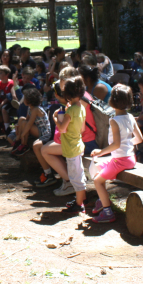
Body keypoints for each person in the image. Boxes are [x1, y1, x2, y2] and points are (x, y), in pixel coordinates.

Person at [88, 85, 143, 224]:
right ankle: (103, 199)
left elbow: (116, 145)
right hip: (129, 158)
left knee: (97, 181)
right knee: (98, 166)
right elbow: (139, 139)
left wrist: (101, 152)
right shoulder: (130, 116)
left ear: (111, 101)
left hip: (120, 160)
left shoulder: (114, 120)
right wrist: (128, 145)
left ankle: (107, 212)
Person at [43, 77, 88, 213]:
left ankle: (79, 205)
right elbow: (82, 129)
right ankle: (80, 199)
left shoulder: (69, 112)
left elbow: (62, 129)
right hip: (78, 144)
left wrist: (55, 118)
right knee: (77, 175)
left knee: (76, 177)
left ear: (67, 94)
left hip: (71, 148)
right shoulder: (82, 108)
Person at [10, 87, 51, 158]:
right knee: (21, 119)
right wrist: (18, 127)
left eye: (24, 98)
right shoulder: (30, 108)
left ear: (29, 100)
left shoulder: (36, 109)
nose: (23, 99)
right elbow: (26, 119)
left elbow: (29, 123)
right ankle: (18, 140)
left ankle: (24, 144)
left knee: (25, 124)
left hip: (44, 132)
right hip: (37, 128)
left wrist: (22, 134)